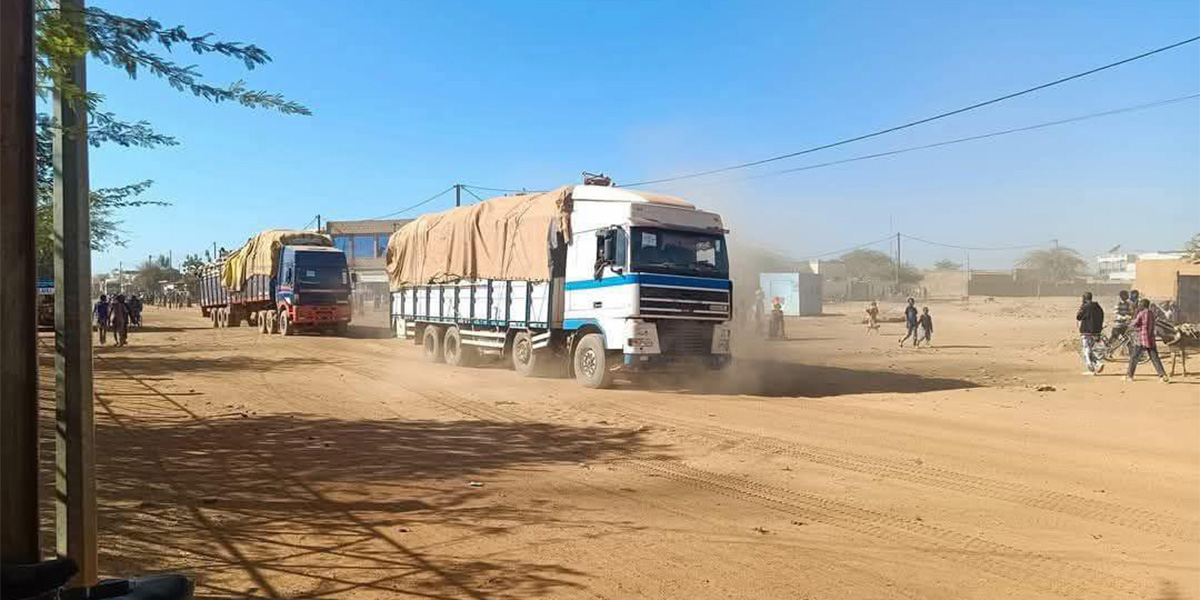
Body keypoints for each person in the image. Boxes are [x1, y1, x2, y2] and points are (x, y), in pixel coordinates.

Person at [1125, 298, 1170, 383]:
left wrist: (1131, 323)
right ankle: (1163, 375)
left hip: (1141, 339)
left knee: (1134, 357)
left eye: (1140, 304)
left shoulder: (1141, 313)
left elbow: (1135, 324)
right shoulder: (1151, 313)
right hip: (1151, 339)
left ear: (1142, 305)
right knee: (1155, 358)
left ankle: (1129, 376)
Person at [1076, 292, 1105, 375]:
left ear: (1084, 298)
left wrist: (1081, 308)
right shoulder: (1098, 307)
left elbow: (1078, 317)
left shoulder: (1085, 307)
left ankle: (1090, 366)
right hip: (1096, 331)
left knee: (1086, 349)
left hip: (1086, 331)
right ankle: (1098, 363)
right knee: (1090, 349)